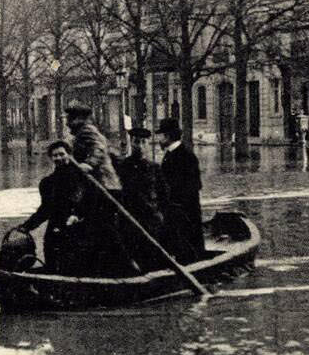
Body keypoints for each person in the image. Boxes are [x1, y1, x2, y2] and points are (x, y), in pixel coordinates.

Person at [63, 102, 136, 276]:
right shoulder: (81, 133)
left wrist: (89, 164)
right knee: (98, 229)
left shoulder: (87, 130)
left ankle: (128, 268)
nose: (66, 121)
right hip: (101, 187)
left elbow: (99, 149)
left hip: (104, 188)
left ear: (75, 118)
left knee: (105, 229)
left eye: (68, 117)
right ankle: (106, 268)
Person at [15, 141, 85, 273]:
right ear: (51, 158)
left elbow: (85, 202)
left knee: (73, 264)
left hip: (76, 226)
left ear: (69, 155)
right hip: (55, 226)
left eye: (61, 154)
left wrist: (76, 215)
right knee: (52, 261)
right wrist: (27, 226)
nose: (58, 158)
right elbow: (45, 210)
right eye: (55, 155)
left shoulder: (81, 177)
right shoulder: (48, 183)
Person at [111, 126, 169, 270]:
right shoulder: (123, 165)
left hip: (150, 218)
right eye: (137, 142)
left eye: (144, 142)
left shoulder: (154, 168)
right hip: (129, 218)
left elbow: (164, 194)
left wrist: (161, 215)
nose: (141, 146)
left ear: (149, 144)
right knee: (131, 252)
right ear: (132, 143)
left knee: (152, 253)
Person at [156, 116, 204, 262]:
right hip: (176, 209)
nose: (158, 139)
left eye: (160, 135)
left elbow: (194, 185)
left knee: (187, 246)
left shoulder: (186, 156)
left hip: (185, 211)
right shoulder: (171, 154)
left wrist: (175, 203)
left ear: (168, 136)